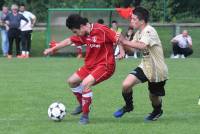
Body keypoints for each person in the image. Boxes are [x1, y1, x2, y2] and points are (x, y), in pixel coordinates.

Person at [43, 14, 124, 124]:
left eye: (75, 31)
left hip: (105, 65)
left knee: (86, 83)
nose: (76, 34)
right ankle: (82, 104)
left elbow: (117, 38)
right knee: (71, 81)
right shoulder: (83, 34)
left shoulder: (101, 29)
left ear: (82, 26)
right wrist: (52, 49)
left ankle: (85, 116)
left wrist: (122, 51)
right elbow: (69, 41)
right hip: (90, 66)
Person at [113, 7, 168, 121]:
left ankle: (157, 111)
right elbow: (131, 49)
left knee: (153, 96)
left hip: (157, 70)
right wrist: (120, 42)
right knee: (126, 85)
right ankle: (129, 106)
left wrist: (124, 41)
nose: (131, 21)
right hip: (145, 66)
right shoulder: (138, 33)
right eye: (131, 19)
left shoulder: (149, 30)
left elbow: (142, 45)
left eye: (134, 19)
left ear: (142, 21)